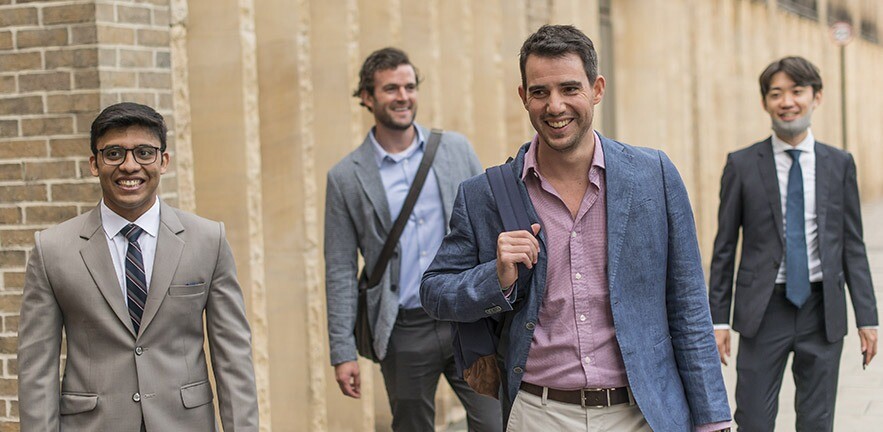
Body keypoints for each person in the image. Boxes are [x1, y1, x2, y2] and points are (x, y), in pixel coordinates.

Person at [421, 25, 731, 431]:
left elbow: (688, 304)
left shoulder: (653, 175)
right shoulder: (485, 195)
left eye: (570, 89)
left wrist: (714, 420)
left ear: (597, 89)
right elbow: (434, 291)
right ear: (523, 97)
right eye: (539, 92)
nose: (555, 106)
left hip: (643, 413)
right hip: (538, 413)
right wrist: (494, 278)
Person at [17, 103, 259, 431]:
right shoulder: (53, 249)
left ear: (164, 160)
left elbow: (233, 357)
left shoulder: (208, 240)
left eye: (144, 152)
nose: (130, 166)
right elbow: (37, 369)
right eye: (114, 153)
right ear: (94, 163)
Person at [324, 47, 501, 431]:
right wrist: (342, 351)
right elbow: (339, 268)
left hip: (465, 316)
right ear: (368, 98)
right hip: (404, 328)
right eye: (390, 88)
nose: (403, 96)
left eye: (409, 86)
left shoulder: (455, 149)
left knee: (495, 422)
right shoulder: (346, 177)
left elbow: (488, 230)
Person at [709, 56, 878, 431]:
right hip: (762, 311)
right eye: (776, 93)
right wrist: (717, 319)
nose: (787, 102)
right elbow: (724, 247)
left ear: (816, 97)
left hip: (823, 310)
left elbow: (853, 245)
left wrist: (868, 317)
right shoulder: (741, 164)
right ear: (765, 102)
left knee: (817, 422)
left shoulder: (839, 164)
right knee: (753, 419)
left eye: (797, 91)